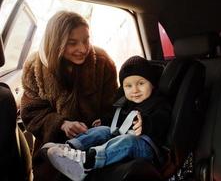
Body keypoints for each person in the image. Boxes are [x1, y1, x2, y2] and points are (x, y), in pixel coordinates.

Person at [20, 11, 118, 181]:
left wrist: (102, 122)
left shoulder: (102, 63)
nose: (83, 48)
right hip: (52, 148)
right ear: (56, 43)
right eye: (72, 43)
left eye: (86, 40)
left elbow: (114, 106)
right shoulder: (34, 68)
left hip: (96, 145)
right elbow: (30, 113)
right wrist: (61, 124)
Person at [43, 55, 171, 181]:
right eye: (128, 86)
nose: (135, 90)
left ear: (152, 84)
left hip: (145, 147)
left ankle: (87, 163)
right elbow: (119, 120)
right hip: (122, 136)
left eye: (141, 83)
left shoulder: (159, 103)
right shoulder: (124, 102)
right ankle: (69, 149)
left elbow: (162, 121)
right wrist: (105, 121)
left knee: (128, 141)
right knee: (103, 130)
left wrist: (147, 124)